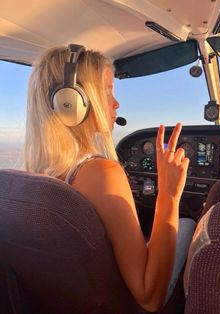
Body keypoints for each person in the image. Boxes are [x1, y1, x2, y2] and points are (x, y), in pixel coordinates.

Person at [24, 45, 195, 312]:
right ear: (70, 101)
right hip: (124, 303)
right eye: (106, 92)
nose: (116, 103)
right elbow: (149, 297)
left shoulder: (33, 174)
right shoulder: (101, 173)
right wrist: (169, 194)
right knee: (187, 224)